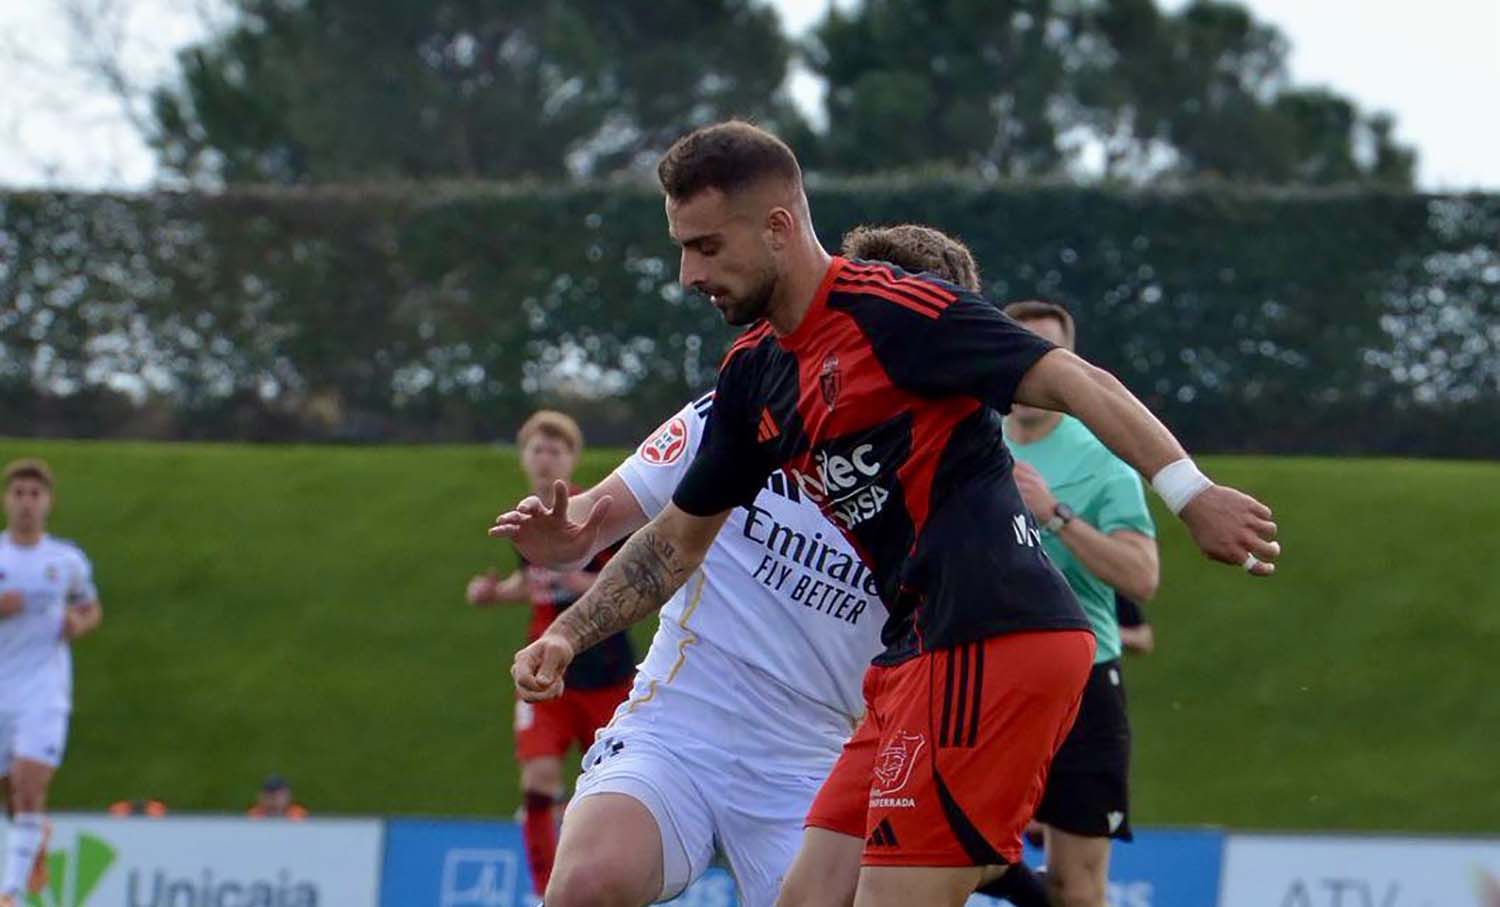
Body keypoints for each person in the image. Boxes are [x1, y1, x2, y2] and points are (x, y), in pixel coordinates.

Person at [505, 121, 1279, 907]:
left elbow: (1077, 380)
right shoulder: (754, 375)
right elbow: (672, 542)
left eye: (705, 247)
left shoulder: (898, 312)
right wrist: (566, 632)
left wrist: (1191, 492)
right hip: (902, 664)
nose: (686, 274)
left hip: (990, 634)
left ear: (778, 226)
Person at [489, 225, 990, 907]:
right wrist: (566, 593)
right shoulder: (747, 402)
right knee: (585, 884)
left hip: (820, 758)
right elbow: (617, 523)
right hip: (682, 724)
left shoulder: (962, 481)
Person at [1003, 300, 1159, 907]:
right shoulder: (971, 438)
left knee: (1075, 885)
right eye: (1013, 349)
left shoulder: (1103, 464)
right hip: (983, 674)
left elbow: (1142, 578)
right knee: (952, 850)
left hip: (1082, 684)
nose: (1025, 368)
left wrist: (1057, 515)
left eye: (1042, 354)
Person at [467, 410, 636, 898]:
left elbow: (630, 578)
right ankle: (544, 893)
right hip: (545, 670)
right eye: (537, 450)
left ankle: (614, 883)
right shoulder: (524, 519)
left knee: (611, 788)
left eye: (555, 451)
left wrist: (572, 579)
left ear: (573, 458)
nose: (544, 460)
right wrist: (496, 594)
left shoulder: (598, 511)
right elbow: (534, 582)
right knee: (538, 777)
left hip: (605, 671)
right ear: (523, 457)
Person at [0, 459, 103, 907]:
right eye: (19, 493)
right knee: (10, 793)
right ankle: (34, 834)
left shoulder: (65, 560)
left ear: (48, 503)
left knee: (28, 784)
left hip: (44, 691)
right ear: (7, 500)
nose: (26, 503)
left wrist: (77, 625)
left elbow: (90, 607)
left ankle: (9, 893)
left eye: (34, 495)